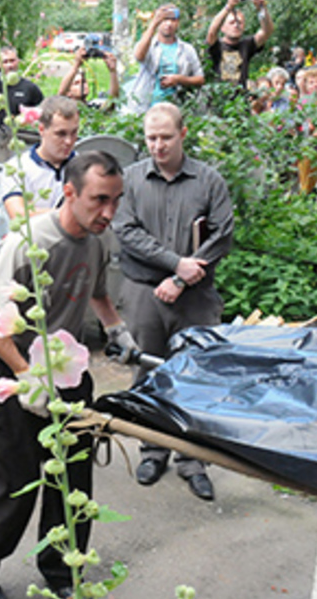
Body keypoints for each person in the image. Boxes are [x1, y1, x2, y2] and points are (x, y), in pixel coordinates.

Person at [0, 151, 136, 599]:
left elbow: (96, 293)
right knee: (16, 483)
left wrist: (117, 329)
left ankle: (61, 572)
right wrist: (25, 372)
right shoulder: (29, 241)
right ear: (69, 192)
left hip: (68, 373)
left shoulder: (95, 241)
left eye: (115, 200)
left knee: (72, 483)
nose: (108, 213)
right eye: (98, 200)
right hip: (16, 368)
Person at [112, 103, 234, 501]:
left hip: (195, 297)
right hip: (144, 292)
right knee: (147, 371)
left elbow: (223, 235)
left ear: (183, 133)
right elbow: (126, 230)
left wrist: (182, 277)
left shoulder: (208, 180)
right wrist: (174, 264)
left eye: (165, 137)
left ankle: (192, 459)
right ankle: (152, 450)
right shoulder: (129, 180)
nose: (158, 145)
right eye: (151, 138)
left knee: (193, 374)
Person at [2, 95, 82, 220]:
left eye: (74, 133)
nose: (68, 141)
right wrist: (67, 213)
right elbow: (18, 214)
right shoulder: (17, 167)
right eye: (61, 134)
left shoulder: (84, 165)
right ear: (41, 129)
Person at [124, 4, 205, 114]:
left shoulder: (187, 50)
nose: (169, 24)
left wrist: (179, 79)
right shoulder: (149, 45)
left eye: (173, 20)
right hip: (146, 109)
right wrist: (153, 24)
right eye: (165, 19)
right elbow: (139, 56)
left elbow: (200, 79)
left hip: (175, 110)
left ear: (178, 22)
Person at [205, 0, 274, 90]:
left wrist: (262, 9)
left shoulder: (246, 45)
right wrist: (229, 6)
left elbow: (267, 31)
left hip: (240, 101)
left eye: (240, 22)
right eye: (232, 22)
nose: (236, 25)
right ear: (223, 28)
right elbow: (211, 32)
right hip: (219, 101)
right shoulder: (216, 45)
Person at [0, 46, 44, 127]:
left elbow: (41, 110)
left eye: (12, 61)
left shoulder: (29, 87)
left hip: (17, 133)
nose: (10, 65)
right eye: (5, 62)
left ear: (18, 61)